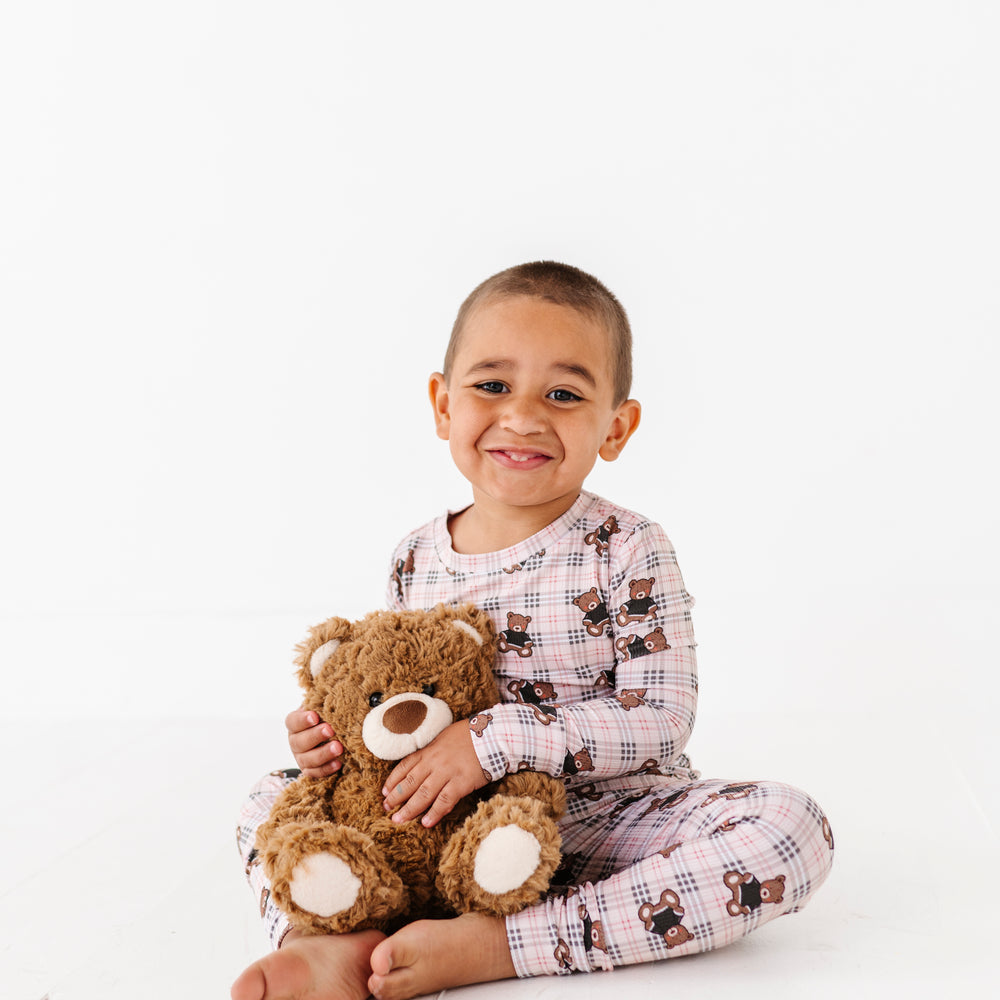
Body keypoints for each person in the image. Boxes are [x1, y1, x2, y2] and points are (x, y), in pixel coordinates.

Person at [231, 262, 834, 1000]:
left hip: (602, 821)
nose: (521, 416)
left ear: (615, 426)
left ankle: (509, 943)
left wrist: (498, 740)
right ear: (442, 405)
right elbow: (381, 702)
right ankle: (332, 935)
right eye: (491, 386)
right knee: (269, 799)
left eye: (563, 394)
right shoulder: (414, 557)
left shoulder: (628, 547)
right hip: (435, 830)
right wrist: (327, 741)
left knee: (788, 829)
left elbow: (663, 719)